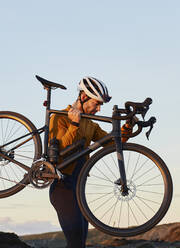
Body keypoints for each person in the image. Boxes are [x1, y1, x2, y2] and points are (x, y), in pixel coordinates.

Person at [48, 77, 132, 248]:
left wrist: (127, 127)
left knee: (81, 242)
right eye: (97, 103)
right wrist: (74, 124)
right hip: (62, 187)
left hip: (78, 188)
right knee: (75, 241)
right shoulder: (59, 117)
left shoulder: (91, 125)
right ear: (84, 98)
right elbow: (59, 151)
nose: (99, 108)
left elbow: (114, 144)